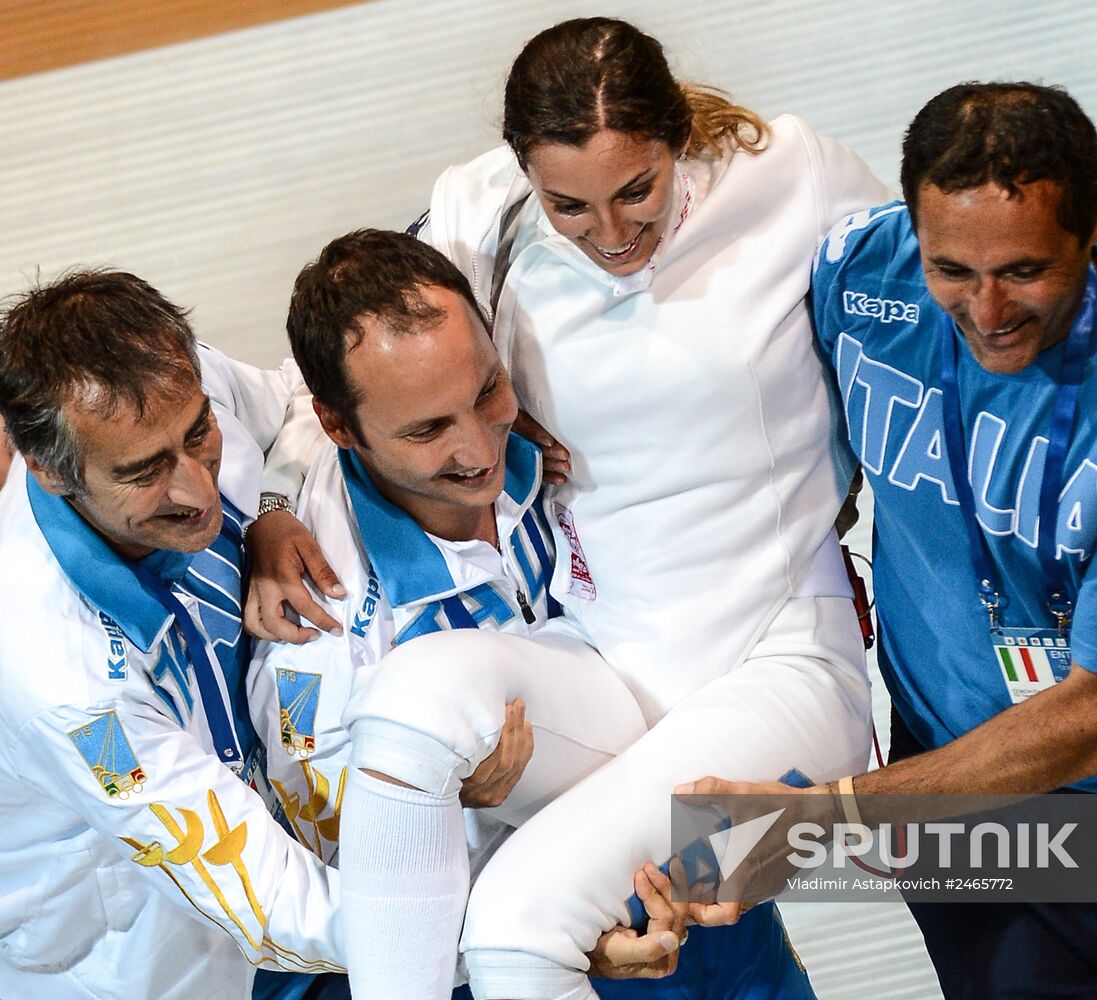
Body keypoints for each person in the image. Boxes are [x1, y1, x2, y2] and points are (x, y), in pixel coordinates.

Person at [245, 17, 889, 999]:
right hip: (605, 659)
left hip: (778, 662)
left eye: (638, 189)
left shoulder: (795, 176)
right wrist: (276, 507)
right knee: (408, 708)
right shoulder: (484, 210)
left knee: (518, 928)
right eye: (571, 206)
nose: (614, 234)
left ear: (678, 140)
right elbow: (336, 363)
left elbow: (954, 313)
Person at [688, 82, 1097, 998]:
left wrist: (802, 831)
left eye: (1025, 270)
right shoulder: (857, 276)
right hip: (956, 797)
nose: (986, 312)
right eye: (951, 269)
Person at [252, 227, 816, 997]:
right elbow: (366, 908)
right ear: (340, 426)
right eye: (427, 429)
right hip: (544, 952)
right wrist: (558, 925)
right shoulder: (313, 629)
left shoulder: (566, 411)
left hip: (719, 909)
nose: (480, 446)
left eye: (484, 392)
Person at [0, 271, 348, 999]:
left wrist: (274, 509)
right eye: (146, 471)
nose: (199, 492)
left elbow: (297, 404)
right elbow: (262, 895)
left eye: (199, 435)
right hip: (168, 962)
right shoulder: (62, 677)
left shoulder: (162, 380)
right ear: (50, 471)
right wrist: (526, 938)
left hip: (314, 884)